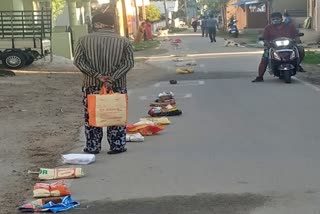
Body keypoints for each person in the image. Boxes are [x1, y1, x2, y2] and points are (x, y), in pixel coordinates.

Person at [73, 13, 134, 154]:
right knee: (116, 115)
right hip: (117, 86)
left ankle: (92, 147)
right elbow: (129, 63)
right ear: (112, 24)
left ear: (97, 24)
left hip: (92, 85)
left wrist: (98, 76)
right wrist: (112, 79)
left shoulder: (83, 40)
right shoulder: (124, 41)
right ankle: (117, 146)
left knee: (92, 116)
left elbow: (78, 62)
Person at [252, 12, 305, 82]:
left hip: (289, 46)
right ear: (271, 20)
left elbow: (296, 35)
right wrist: (267, 44)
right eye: (273, 19)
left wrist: (297, 40)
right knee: (265, 58)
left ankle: (297, 64)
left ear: (281, 19)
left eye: (277, 19)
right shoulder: (268, 28)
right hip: (274, 47)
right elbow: (264, 38)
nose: (275, 20)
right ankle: (260, 76)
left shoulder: (289, 26)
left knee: (300, 50)